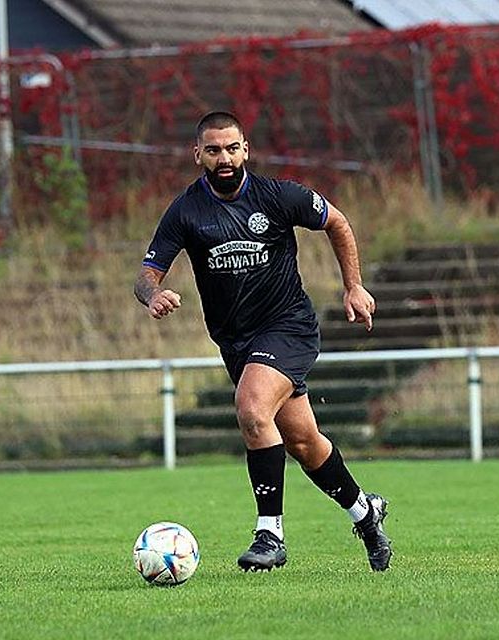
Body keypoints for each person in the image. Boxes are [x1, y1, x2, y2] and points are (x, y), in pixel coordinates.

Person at [133, 111, 392, 572]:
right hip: (237, 343)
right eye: (213, 150)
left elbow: (338, 222)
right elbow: (147, 274)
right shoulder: (186, 211)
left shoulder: (278, 196)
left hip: (287, 326)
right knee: (304, 442)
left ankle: (269, 534)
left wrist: (353, 285)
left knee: (251, 409)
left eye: (232, 148)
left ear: (246, 149)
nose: (224, 158)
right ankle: (365, 513)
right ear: (198, 155)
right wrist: (153, 294)